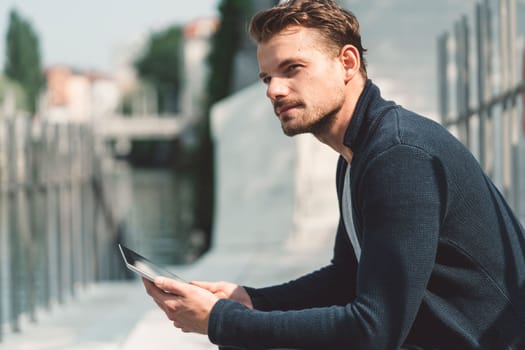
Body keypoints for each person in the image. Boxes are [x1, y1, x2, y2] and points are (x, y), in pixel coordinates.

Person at [143, 0, 525, 349]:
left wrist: (220, 322)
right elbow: (346, 277)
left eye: (292, 68)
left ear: (347, 63)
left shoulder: (398, 156)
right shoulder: (357, 154)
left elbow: (375, 330)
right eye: (266, 78)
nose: (274, 90)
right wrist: (253, 300)